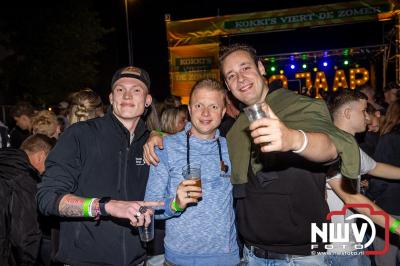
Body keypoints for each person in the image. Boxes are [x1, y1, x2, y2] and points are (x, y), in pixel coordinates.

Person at [143, 44, 360, 265]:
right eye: (231, 75)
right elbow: (150, 207)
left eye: (245, 68)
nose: (240, 79)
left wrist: (294, 139)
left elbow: (330, 146)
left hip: (299, 256)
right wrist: (155, 134)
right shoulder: (234, 133)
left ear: (261, 67)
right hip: (250, 254)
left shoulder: (301, 106)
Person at [37, 66, 163, 266]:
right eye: (120, 89)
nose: (127, 95)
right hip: (84, 260)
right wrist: (105, 206)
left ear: (147, 101)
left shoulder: (151, 143)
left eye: (136, 90)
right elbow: (48, 198)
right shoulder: (79, 135)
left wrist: (158, 133)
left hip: (137, 260)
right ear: (111, 98)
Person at [145, 78, 239, 265]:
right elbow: (149, 207)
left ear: (222, 112)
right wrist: (176, 204)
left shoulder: (233, 148)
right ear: (189, 110)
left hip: (226, 258)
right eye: (198, 105)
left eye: (213, 106)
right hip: (179, 259)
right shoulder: (166, 148)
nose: (205, 113)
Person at [327, 89, 400, 266]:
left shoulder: (349, 145)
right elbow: (351, 196)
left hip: (351, 241)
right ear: (347, 113)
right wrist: (397, 227)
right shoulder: (331, 146)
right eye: (363, 111)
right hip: (336, 248)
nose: (367, 117)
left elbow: (376, 167)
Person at [0, 134, 55, 266]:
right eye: (51, 162)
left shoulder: (5, 164)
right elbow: (24, 238)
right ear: (41, 156)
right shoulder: (24, 181)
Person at [368, 100, 400, 266]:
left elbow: (378, 173)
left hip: (390, 208)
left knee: (385, 259)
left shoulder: (389, 139)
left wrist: (371, 196)